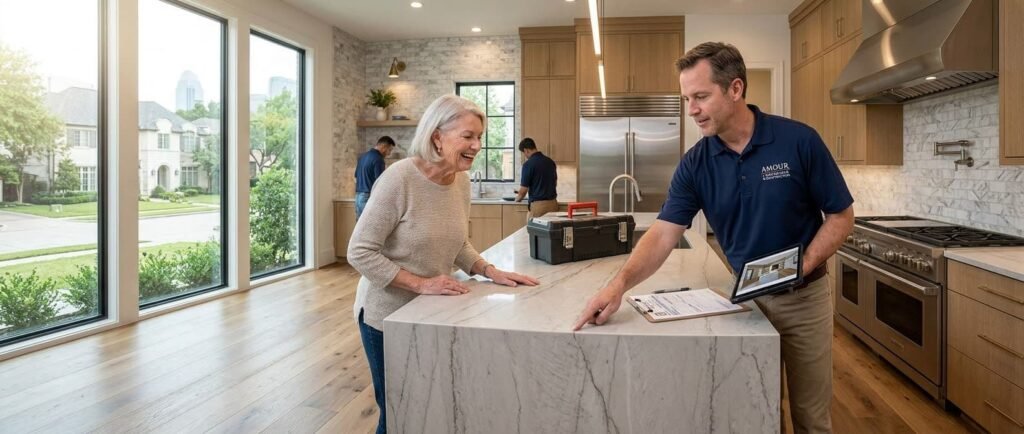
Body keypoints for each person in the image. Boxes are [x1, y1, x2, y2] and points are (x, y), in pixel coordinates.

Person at [572, 42, 854, 434]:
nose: (691, 109)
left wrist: (796, 268)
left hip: (805, 299)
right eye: (687, 98)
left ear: (735, 89)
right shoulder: (695, 163)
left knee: (811, 419)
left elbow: (841, 216)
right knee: (760, 411)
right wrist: (617, 286)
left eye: (701, 96)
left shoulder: (798, 141)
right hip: (745, 301)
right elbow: (662, 234)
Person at [347, 94, 540, 434]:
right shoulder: (399, 179)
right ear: (437, 136)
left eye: (479, 137)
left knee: (431, 406)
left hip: (431, 312)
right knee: (398, 414)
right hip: (386, 317)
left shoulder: (460, 181)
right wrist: (422, 284)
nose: (477, 145)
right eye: (468, 136)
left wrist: (489, 269)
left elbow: (457, 243)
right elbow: (360, 252)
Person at [354, 135, 396, 219]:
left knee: (361, 229)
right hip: (368, 197)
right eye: (389, 150)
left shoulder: (363, 156)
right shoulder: (378, 159)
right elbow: (381, 182)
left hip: (358, 197)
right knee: (370, 227)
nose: (389, 153)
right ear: (384, 147)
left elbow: (355, 177)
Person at [514, 138, 558, 217]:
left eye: (524, 153)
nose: (525, 156)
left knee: (535, 229)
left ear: (526, 150)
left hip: (539, 207)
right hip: (553, 205)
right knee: (552, 229)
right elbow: (555, 183)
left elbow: (523, 191)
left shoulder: (528, 165)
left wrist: (517, 199)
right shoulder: (550, 162)